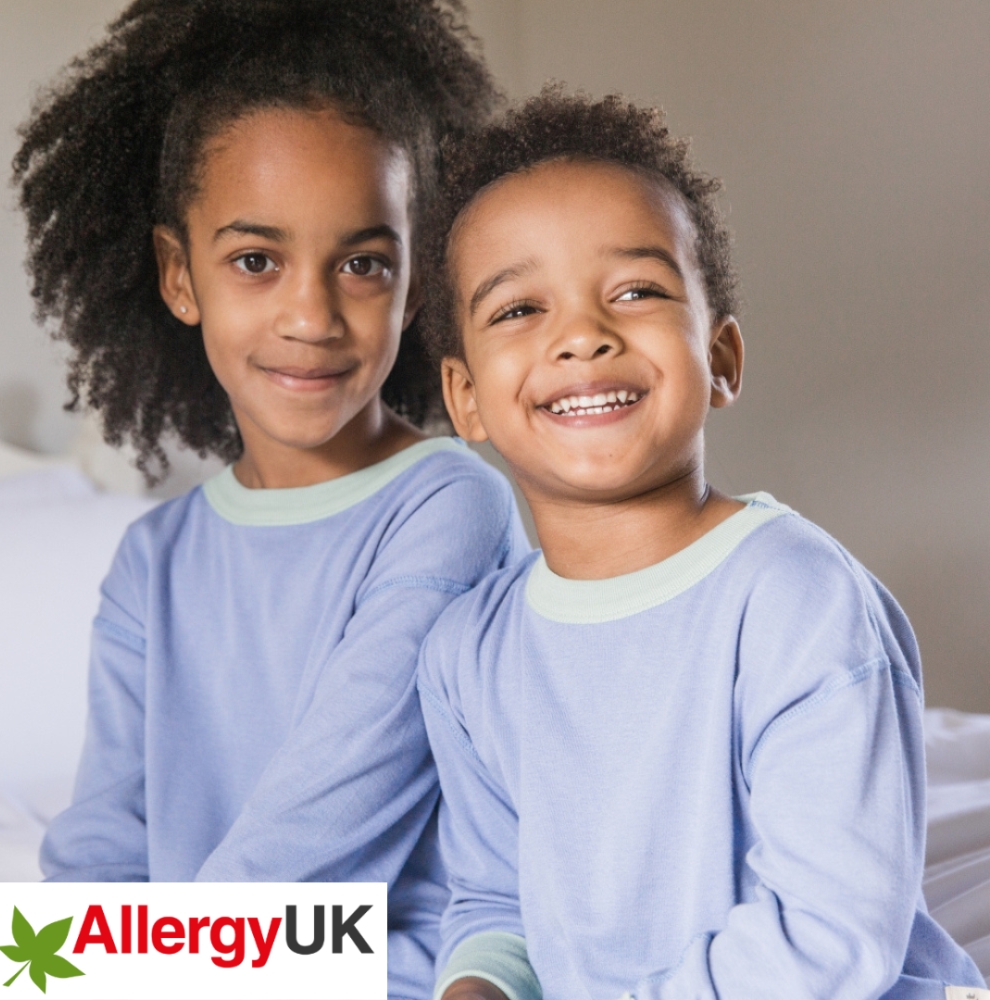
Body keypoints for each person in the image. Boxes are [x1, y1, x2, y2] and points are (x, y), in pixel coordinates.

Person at [415, 89, 986, 1000]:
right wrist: (476, 986)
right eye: (519, 309)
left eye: (636, 292)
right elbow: (494, 902)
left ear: (720, 359)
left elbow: (832, 936)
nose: (582, 337)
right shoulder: (466, 653)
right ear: (466, 397)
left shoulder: (796, 597)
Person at [15, 3, 528, 997]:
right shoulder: (153, 560)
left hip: (384, 970)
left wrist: (136, 969)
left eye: (363, 264)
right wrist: (72, 968)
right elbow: (98, 847)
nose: (312, 315)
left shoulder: (449, 505)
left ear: (417, 281)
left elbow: (324, 820)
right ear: (179, 276)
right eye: (257, 260)